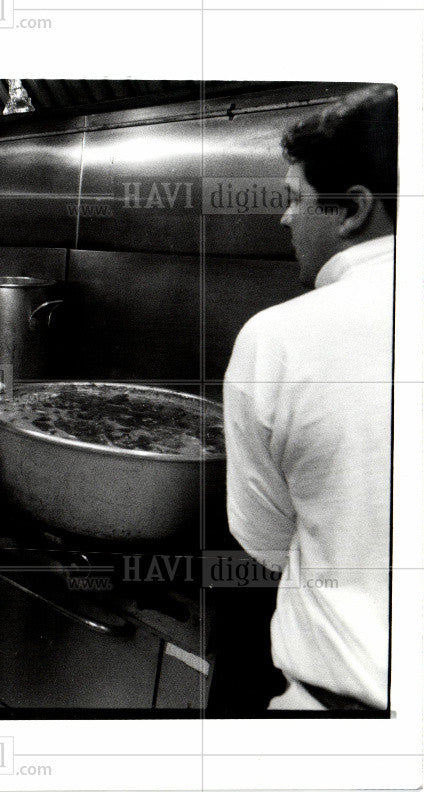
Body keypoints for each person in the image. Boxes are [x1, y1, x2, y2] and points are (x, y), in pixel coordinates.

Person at [223, 85, 396, 710]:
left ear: (350, 210)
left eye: (294, 199)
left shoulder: (280, 338)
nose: (284, 218)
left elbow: (266, 543)